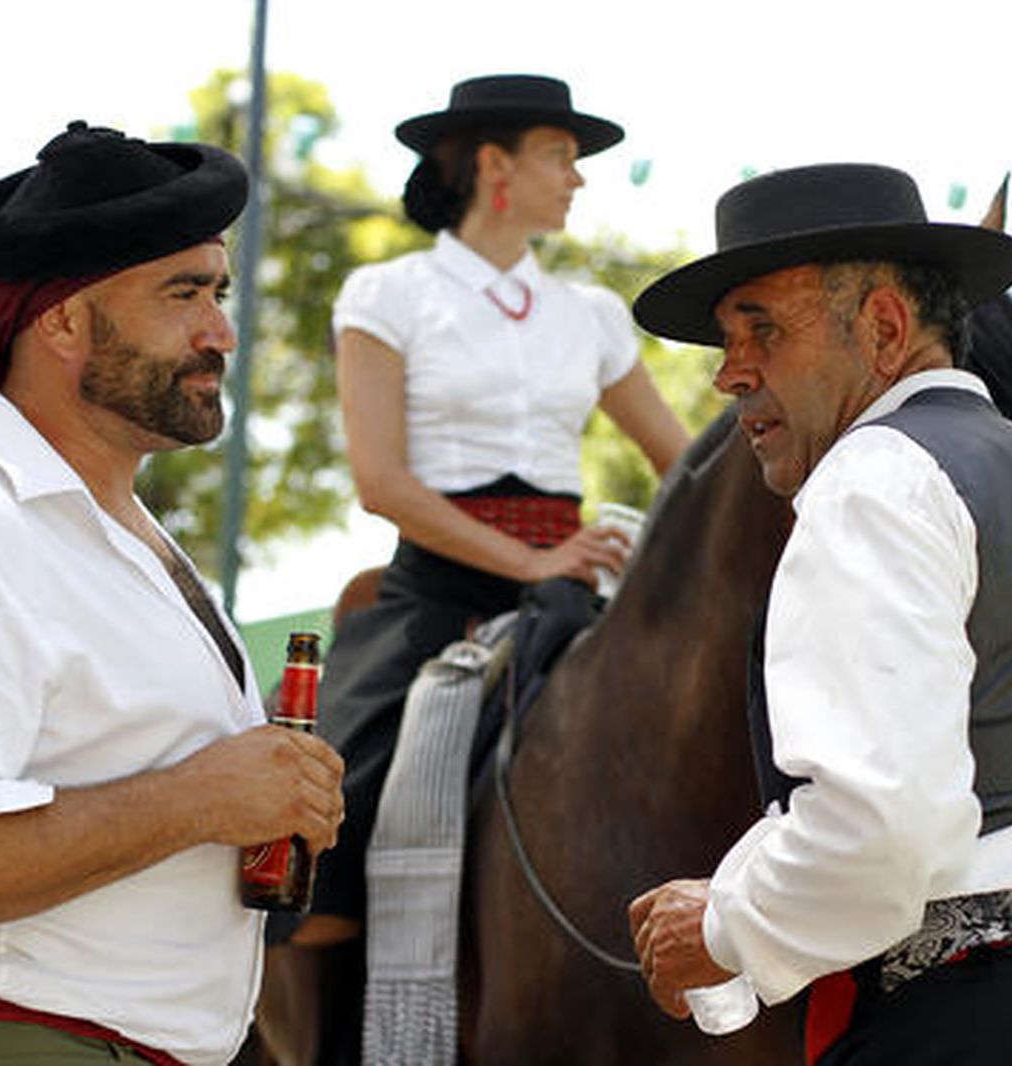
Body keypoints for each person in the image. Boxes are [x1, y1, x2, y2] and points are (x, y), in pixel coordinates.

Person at [625, 163, 1012, 1065]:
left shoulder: (871, 481)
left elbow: (885, 826)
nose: (729, 375)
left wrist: (721, 924)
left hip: (980, 1021)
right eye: (725, 340)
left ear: (883, 328)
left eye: (762, 330)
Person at [0, 121, 345, 1066]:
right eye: (182, 294)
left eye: (218, 292)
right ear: (64, 321)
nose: (221, 332)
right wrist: (201, 800)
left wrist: (268, 796)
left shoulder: (116, 531)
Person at [274, 74, 691, 1059]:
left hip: (571, 592)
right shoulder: (388, 293)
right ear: (493, 167)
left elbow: (687, 462)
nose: (580, 179)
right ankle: (316, 1039)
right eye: (561, 154)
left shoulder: (590, 312)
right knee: (326, 822)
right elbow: (380, 480)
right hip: (431, 591)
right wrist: (531, 554)